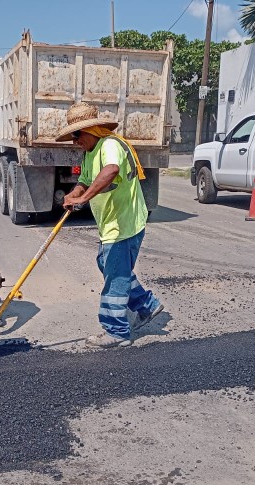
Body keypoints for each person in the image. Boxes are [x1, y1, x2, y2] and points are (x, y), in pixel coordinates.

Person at [56, 102, 163, 348]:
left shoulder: (110, 145)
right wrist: (74, 195)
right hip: (112, 224)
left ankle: (116, 331)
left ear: (91, 130)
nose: (75, 141)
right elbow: (84, 180)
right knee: (107, 263)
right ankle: (147, 305)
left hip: (125, 223)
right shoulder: (90, 153)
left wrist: (84, 198)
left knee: (115, 276)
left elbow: (112, 170)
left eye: (77, 135)